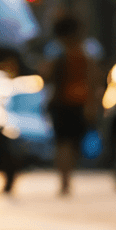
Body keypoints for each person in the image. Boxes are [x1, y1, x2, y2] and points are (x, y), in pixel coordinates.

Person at [41, 12, 102, 196]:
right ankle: (67, 179)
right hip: (80, 102)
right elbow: (94, 78)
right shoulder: (89, 49)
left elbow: (45, 75)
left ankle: (64, 180)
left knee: (63, 143)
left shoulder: (55, 50)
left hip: (60, 101)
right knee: (72, 142)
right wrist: (93, 104)